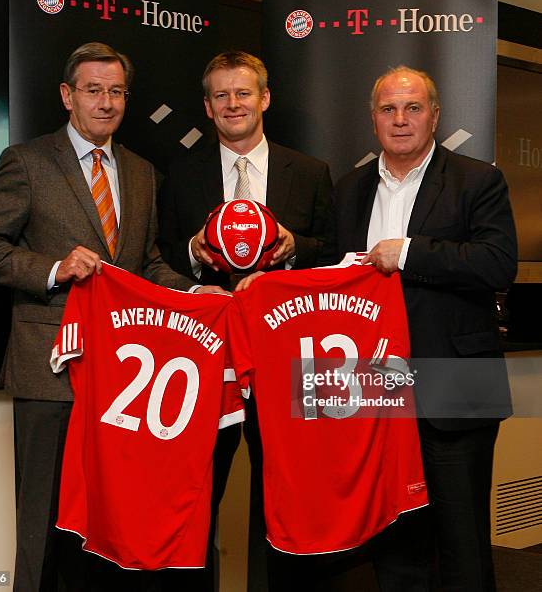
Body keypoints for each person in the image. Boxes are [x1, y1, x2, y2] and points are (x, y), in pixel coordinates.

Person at [0, 42, 222, 592]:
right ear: (67, 96)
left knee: (107, 523)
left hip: (120, 378)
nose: (105, 103)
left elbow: (146, 266)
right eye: (93, 90)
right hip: (49, 369)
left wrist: (205, 297)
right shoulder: (29, 162)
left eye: (116, 92)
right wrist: (55, 268)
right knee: (42, 522)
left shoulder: (142, 172)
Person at [333, 66, 517, 590]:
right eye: (388, 109)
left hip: (457, 384)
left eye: (413, 108)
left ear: (435, 115)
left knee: (462, 545)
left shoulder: (477, 179)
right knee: (396, 544)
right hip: (375, 389)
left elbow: (497, 263)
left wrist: (409, 254)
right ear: (373, 121)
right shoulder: (349, 189)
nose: (401, 119)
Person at [157, 50, 334, 591]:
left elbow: (334, 256)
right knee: (194, 498)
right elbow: (155, 257)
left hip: (286, 368)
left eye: (243, 92)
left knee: (288, 502)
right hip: (206, 365)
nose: (233, 104)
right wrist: (193, 252)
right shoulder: (178, 173)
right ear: (207, 108)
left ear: (265, 98)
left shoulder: (308, 172)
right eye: (221, 95)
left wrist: (292, 248)